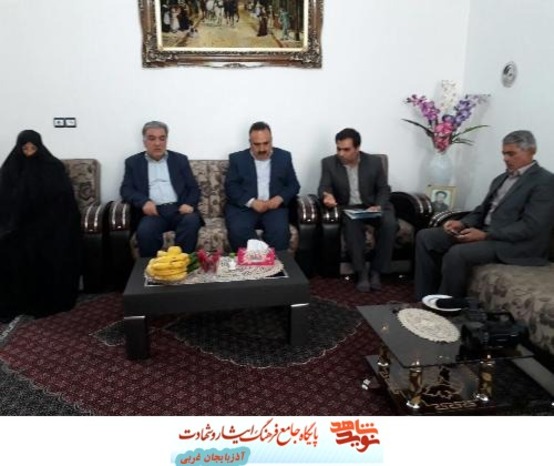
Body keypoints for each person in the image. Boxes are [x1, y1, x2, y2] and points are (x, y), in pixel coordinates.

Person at [415, 130, 554, 300]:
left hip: (516, 245)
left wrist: (486, 235)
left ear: (531, 151)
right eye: (504, 153)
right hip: (488, 234)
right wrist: (462, 223)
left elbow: (531, 226)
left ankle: (446, 306)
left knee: (458, 253)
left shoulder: (545, 182)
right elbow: (482, 211)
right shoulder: (501, 178)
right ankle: (424, 298)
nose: (505, 158)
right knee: (426, 237)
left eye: (511, 154)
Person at [0, 130, 82, 322]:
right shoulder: (11, 169)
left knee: (51, 245)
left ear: (40, 148)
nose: (29, 153)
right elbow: (5, 202)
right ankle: (19, 300)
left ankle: (49, 299)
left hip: (51, 224)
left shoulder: (52, 167)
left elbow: (64, 201)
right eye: (25, 149)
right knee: (9, 247)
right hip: (19, 225)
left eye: (33, 148)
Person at [317, 128, 397, 293]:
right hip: (350, 208)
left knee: (389, 224)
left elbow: (384, 189)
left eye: (346, 149)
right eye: (338, 149)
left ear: (357, 148)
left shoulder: (374, 162)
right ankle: (361, 273)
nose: (341, 153)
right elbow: (324, 187)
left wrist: (378, 205)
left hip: (373, 205)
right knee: (352, 226)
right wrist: (327, 196)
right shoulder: (329, 163)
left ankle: (376, 271)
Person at [120, 121, 202, 257]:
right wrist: (144, 202)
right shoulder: (133, 162)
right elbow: (126, 190)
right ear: (144, 142)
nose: (157, 143)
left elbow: (193, 188)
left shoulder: (180, 160)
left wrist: (189, 204)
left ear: (166, 140)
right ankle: (152, 268)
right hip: (154, 212)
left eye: (162, 138)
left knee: (191, 221)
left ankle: (181, 263)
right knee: (145, 231)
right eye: (152, 139)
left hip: (178, 209)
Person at [224, 121, 300, 252]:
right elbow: (231, 186)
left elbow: (294, 185)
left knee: (280, 232)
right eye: (257, 144)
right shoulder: (237, 159)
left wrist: (279, 198)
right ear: (250, 142)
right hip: (245, 208)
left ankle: (275, 264)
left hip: (273, 208)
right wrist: (252, 202)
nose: (262, 149)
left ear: (271, 140)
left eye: (266, 143)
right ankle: (251, 264)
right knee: (238, 230)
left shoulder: (284, 157)